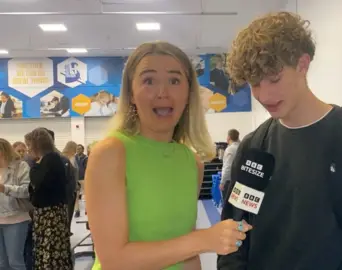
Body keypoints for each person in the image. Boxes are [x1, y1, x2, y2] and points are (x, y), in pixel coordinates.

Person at [217, 12, 342, 270]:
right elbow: (235, 234)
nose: (264, 94)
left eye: (274, 78)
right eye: (255, 83)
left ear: (303, 64)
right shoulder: (255, 148)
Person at [85, 41, 253, 270]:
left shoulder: (192, 162)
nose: (162, 93)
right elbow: (114, 260)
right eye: (149, 80)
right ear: (131, 93)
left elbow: (187, 255)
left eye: (174, 80)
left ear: (188, 94)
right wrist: (203, 240)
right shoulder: (111, 154)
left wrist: (198, 244)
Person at [25, 128, 73, 269]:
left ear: (36, 145)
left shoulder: (51, 159)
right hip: (46, 214)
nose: (28, 150)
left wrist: (34, 167)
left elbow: (37, 182)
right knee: (47, 250)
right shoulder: (47, 160)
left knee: (51, 250)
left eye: (29, 145)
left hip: (51, 215)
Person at [0, 138, 32, 270]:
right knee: (2, 264)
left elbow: (26, 191)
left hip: (16, 219)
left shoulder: (21, 166)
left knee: (15, 262)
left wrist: (5, 188)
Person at [219, 129, 241, 199]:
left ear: (229, 137)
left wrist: (222, 182)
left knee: (227, 203)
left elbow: (228, 167)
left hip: (229, 181)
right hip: (239, 180)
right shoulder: (241, 147)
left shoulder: (230, 149)